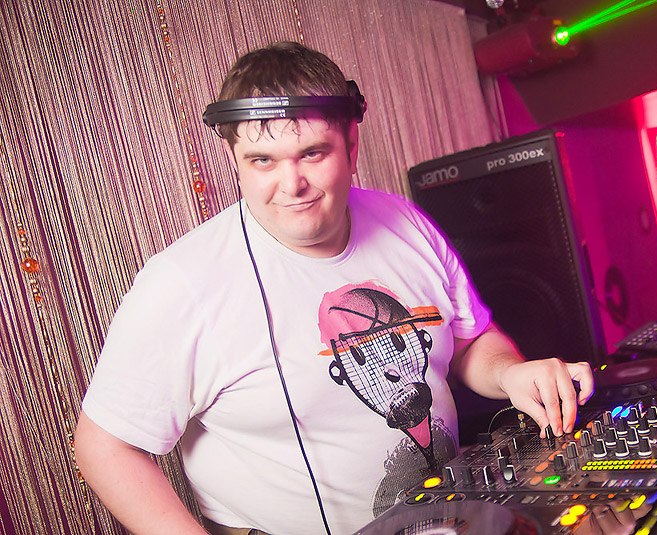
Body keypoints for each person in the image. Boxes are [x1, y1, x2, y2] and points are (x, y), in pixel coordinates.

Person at [74, 41, 594, 535]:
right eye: (262, 161)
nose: (291, 184)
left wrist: (509, 372)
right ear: (235, 158)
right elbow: (104, 448)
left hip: (449, 515)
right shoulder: (181, 283)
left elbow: (468, 338)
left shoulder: (405, 222)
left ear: (351, 145)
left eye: (312, 153)